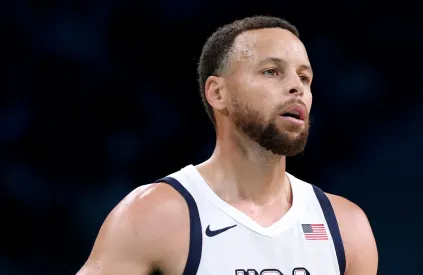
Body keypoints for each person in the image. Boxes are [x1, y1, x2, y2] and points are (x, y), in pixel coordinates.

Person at [77, 15, 378, 275]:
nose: (296, 87)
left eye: (305, 77)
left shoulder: (345, 226)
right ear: (217, 93)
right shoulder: (155, 215)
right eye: (271, 71)